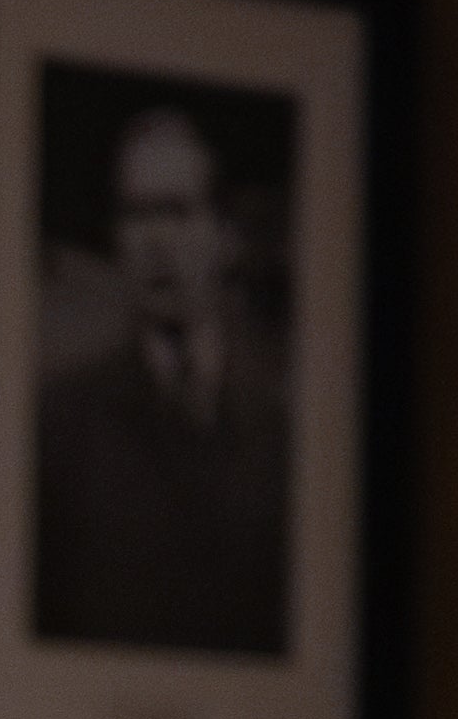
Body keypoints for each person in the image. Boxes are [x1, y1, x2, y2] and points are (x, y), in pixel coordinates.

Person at [32, 98, 294, 655]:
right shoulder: (58, 427)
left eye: (177, 212)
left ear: (226, 235)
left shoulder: (283, 435)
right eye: (136, 214)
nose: (155, 240)